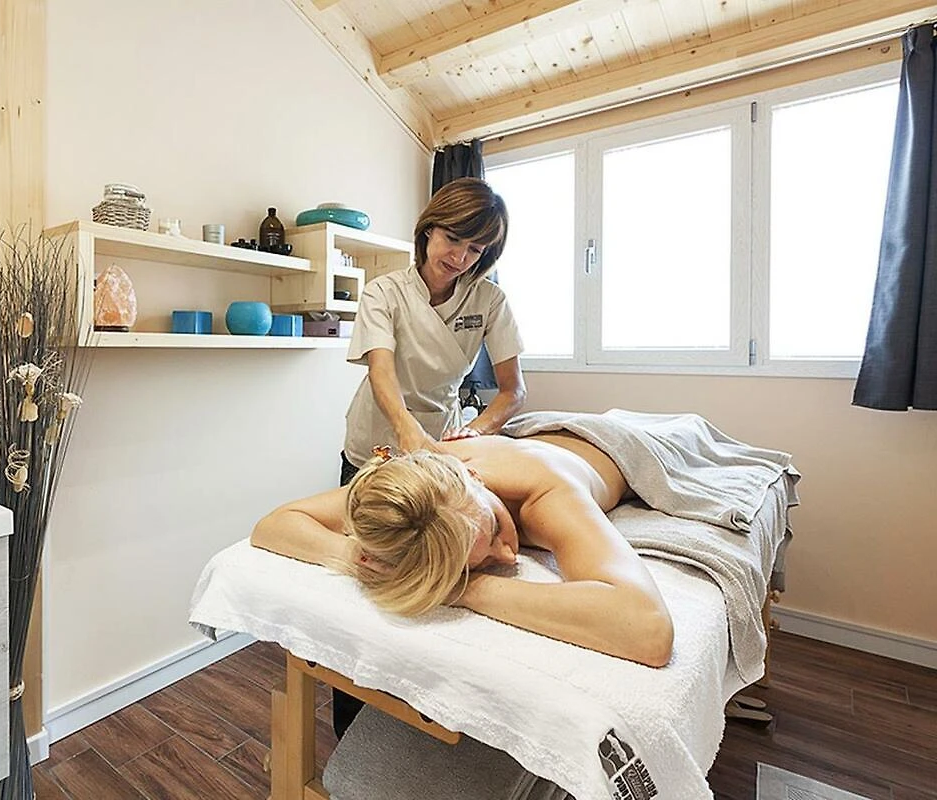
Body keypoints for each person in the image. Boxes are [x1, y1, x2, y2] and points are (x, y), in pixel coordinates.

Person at [252, 431, 675, 670]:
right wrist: (369, 558)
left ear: (475, 478)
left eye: (495, 528)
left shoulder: (548, 496)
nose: (508, 556)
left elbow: (648, 630)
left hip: (618, 440)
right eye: (481, 563)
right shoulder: (422, 485)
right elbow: (274, 525)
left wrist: (461, 588)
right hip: (529, 432)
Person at [340, 177, 526, 486]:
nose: (459, 258)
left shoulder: (490, 300)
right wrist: (406, 428)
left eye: (474, 249)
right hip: (377, 440)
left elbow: (513, 391)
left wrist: (474, 431)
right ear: (429, 228)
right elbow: (381, 370)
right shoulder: (383, 292)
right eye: (453, 238)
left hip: (444, 443)